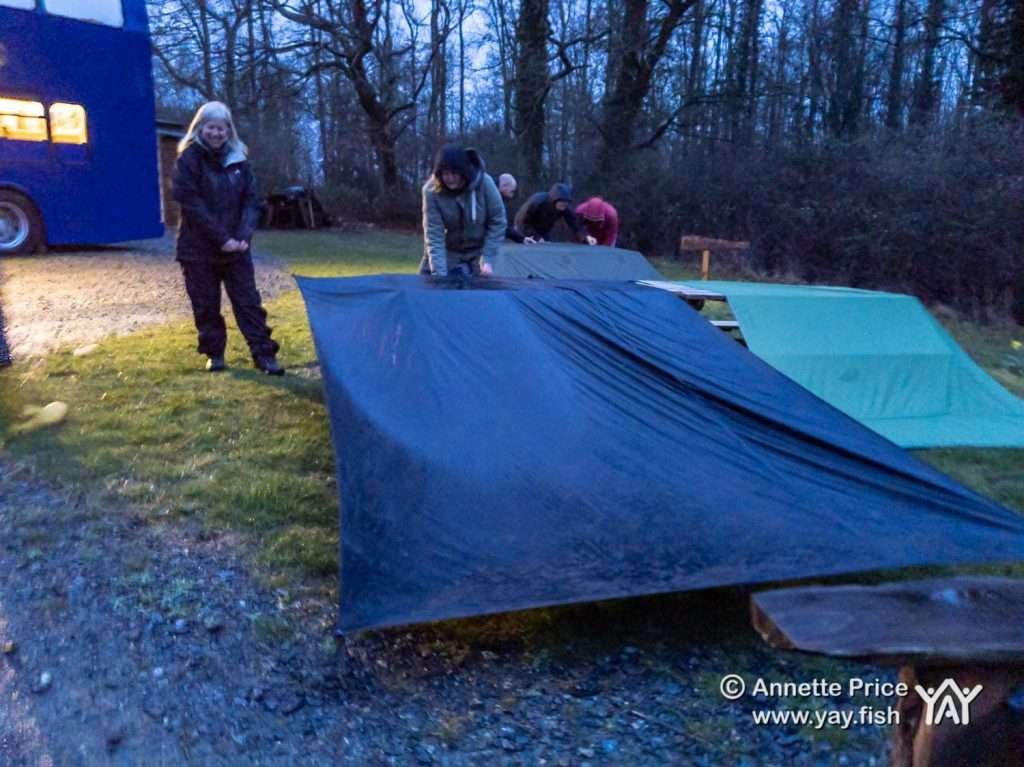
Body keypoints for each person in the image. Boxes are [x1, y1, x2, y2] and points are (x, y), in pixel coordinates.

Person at [172, 101, 283, 375]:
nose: (216, 133)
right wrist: (222, 238)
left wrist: (243, 236)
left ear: (228, 130)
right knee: (206, 306)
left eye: (222, 128)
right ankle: (214, 354)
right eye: (211, 127)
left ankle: (264, 356)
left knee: (249, 304)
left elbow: (252, 201)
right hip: (198, 249)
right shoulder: (188, 159)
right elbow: (192, 204)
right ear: (201, 128)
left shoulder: (240, 161)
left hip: (236, 250)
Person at [421, 143, 506, 277]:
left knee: (482, 293)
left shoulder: (485, 184)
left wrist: (488, 259)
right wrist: (439, 275)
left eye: (454, 173)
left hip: (479, 253)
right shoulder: (431, 192)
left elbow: (498, 221)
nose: (449, 178)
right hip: (448, 252)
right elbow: (434, 234)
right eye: (445, 174)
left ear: (464, 171)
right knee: (430, 289)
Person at [514, 183, 596, 245]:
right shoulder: (538, 202)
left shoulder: (563, 208)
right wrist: (536, 237)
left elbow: (574, 223)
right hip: (524, 228)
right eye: (561, 204)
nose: (563, 207)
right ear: (554, 201)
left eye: (565, 204)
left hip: (543, 230)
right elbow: (522, 221)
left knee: (545, 246)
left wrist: (586, 236)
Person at [496, 173, 529, 243]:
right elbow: (502, 226)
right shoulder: (495, 201)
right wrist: (521, 238)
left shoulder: (499, 200)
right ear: (504, 186)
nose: (513, 194)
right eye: (512, 191)